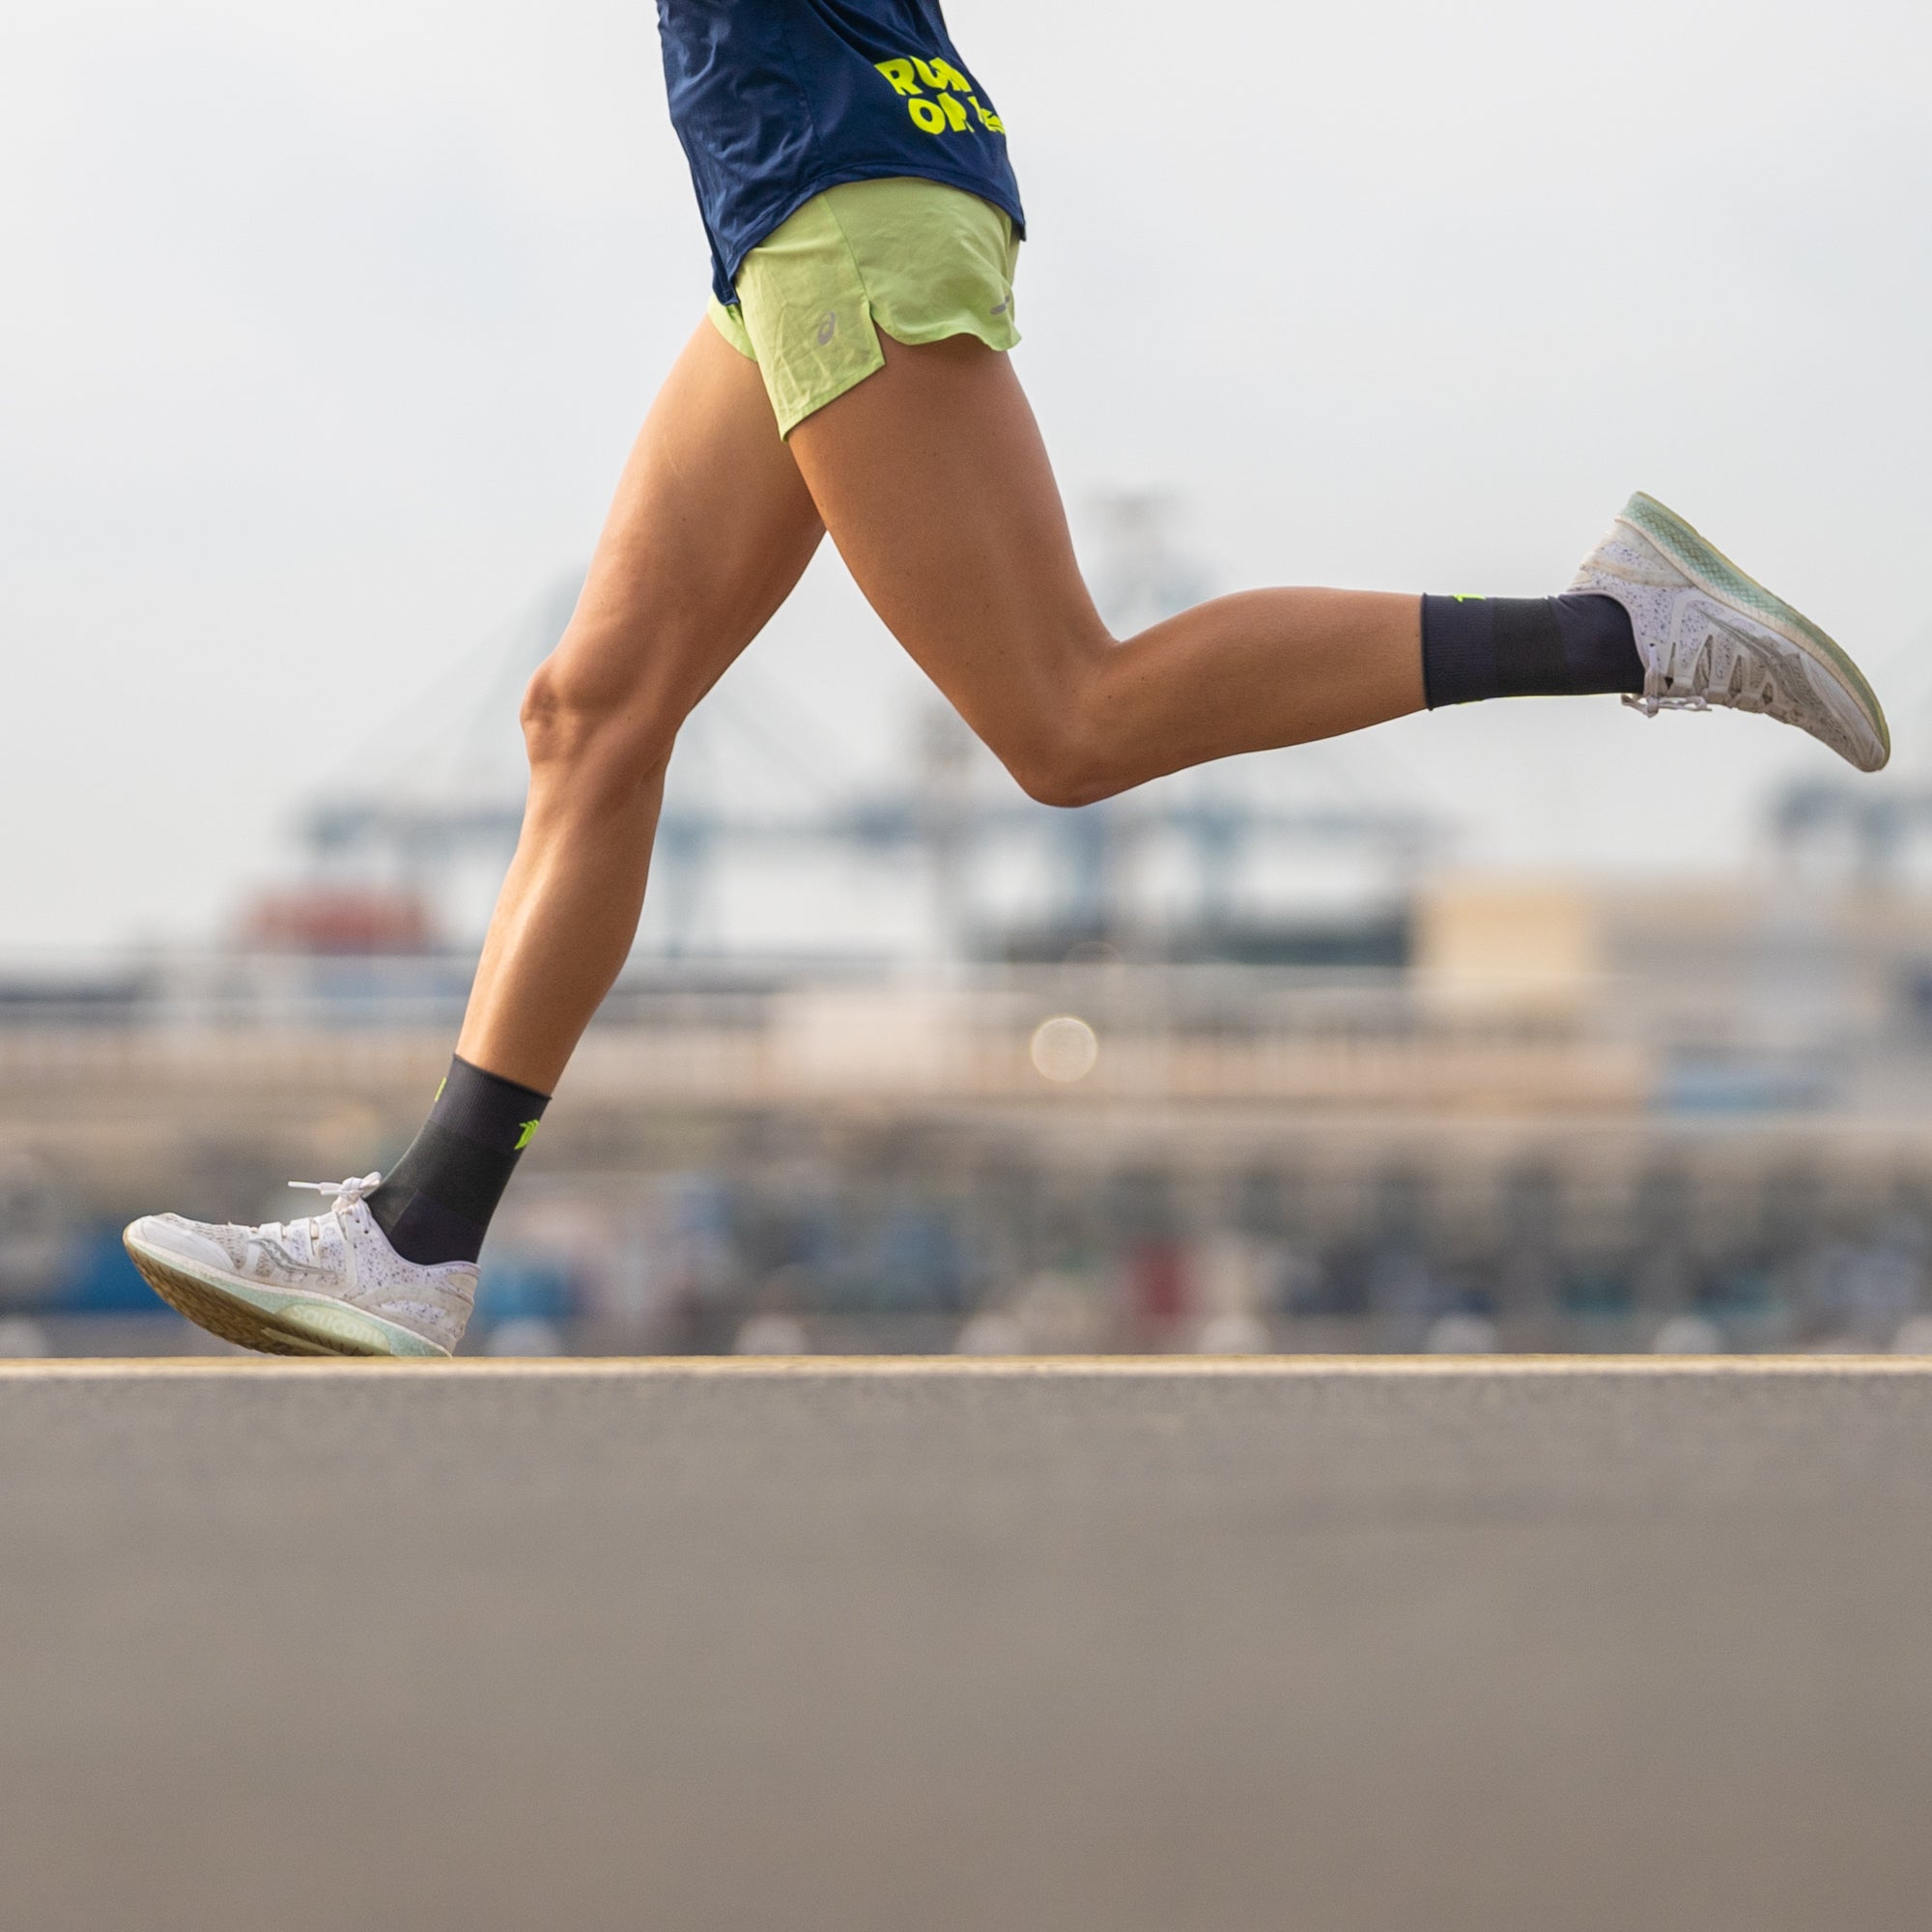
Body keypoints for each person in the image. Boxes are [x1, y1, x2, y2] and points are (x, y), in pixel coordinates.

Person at [123, 1, 1890, 1357]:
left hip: (840, 199)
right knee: (588, 715)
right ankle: (420, 1239)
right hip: (796, 199)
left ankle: (1623, 631)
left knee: (1066, 719)